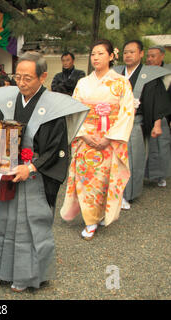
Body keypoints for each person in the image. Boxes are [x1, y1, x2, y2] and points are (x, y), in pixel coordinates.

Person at [0, 52, 88, 293]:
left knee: (28, 226)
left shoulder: (53, 107)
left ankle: (24, 276)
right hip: (4, 171)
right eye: (18, 77)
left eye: (28, 78)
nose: (21, 83)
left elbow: (56, 148)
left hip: (33, 174)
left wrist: (31, 167)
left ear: (43, 76)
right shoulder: (7, 101)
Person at [60, 39, 135, 240]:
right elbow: (74, 112)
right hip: (87, 138)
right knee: (86, 181)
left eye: (101, 53)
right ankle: (90, 220)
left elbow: (127, 112)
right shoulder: (83, 83)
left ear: (111, 56)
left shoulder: (121, 82)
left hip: (110, 139)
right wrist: (84, 133)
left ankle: (101, 214)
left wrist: (109, 138)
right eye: (93, 53)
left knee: (104, 180)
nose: (96, 57)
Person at [113, 40, 171, 209]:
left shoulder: (150, 75)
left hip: (135, 122)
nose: (128, 55)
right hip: (115, 121)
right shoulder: (115, 73)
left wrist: (157, 124)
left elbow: (158, 102)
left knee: (133, 158)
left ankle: (128, 194)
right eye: (125, 52)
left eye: (132, 52)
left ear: (140, 54)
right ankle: (113, 193)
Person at [145, 45, 171, 187]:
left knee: (161, 147)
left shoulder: (168, 73)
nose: (149, 59)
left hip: (163, 114)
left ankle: (160, 175)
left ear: (162, 56)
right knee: (144, 147)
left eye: (153, 56)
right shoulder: (143, 72)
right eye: (148, 56)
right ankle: (142, 174)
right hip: (146, 113)